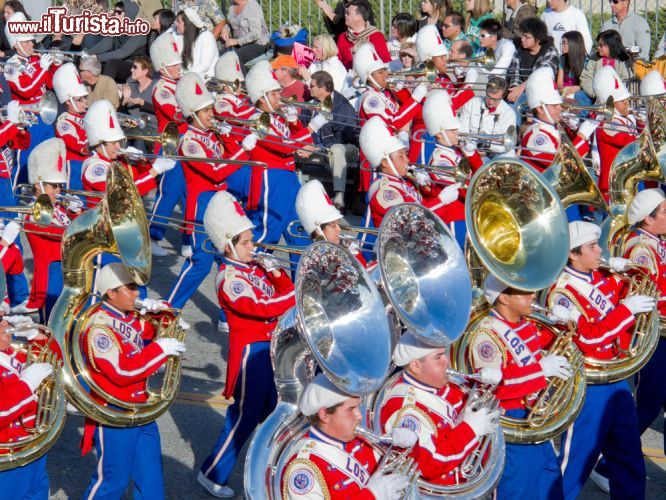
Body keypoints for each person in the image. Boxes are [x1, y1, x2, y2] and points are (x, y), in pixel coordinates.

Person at [198, 191, 295, 498]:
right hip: (250, 353)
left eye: (252, 241)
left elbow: (284, 290)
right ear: (228, 245)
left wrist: (277, 271)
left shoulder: (253, 269)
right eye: (246, 243)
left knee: (271, 414)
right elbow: (262, 307)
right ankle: (212, 472)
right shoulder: (230, 278)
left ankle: (266, 470)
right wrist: (294, 297)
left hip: (269, 350)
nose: (253, 247)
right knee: (244, 417)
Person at [545, 221, 652, 499]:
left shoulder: (600, 277)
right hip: (588, 386)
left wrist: (629, 272)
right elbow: (589, 339)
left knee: (629, 461)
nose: (600, 250)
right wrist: (625, 310)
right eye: (592, 246)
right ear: (572, 254)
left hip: (617, 381)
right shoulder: (562, 294)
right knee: (575, 467)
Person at [80, 262, 186, 499]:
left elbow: (160, 328)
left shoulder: (128, 315)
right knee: (112, 483)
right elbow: (122, 372)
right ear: (111, 292)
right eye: (130, 288)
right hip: (114, 413)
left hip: (141, 409)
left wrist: (160, 310)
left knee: (151, 482)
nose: (138, 293)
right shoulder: (99, 327)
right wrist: (158, 350)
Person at [468, 273, 570, 499]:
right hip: (511, 425)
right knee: (518, 491)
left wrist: (566, 323)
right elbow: (494, 387)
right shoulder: (486, 333)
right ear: (503, 298)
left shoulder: (526, 323)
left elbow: (560, 345)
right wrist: (540, 371)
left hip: (535, 422)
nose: (533, 295)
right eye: (524, 292)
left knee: (549, 487)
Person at [166, 72, 254, 313]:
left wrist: (230, 139)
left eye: (210, 109)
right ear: (193, 115)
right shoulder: (189, 142)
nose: (211, 114)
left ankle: (229, 315)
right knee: (201, 263)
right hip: (201, 205)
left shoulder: (212, 134)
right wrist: (242, 151)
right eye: (206, 111)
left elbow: (230, 157)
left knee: (230, 259)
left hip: (220, 202)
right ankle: (170, 310)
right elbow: (215, 171)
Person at [379, 331, 500, 484]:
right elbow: (430, 463)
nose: (446, 361)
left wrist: (492, 383)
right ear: (416, 365)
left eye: (444, 354)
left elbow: (487, 407)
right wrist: (470, 430)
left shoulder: (443, 383)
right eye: (438, 357)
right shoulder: (404, 405)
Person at [281, 373, 413, 499]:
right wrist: (372, 496)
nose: (359, 416)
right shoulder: (304, 465)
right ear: (324, 414)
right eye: (351, 410)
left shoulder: (361, 440)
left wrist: (404, 446)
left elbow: (402, 473)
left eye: (358, 408)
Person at [623, 189, 666, 460]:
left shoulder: (656, 241)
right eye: (664, 212)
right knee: (649, 402)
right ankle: (607, 460)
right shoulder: (641, 248)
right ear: (648, 220)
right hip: (653, 335)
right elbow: (648, 295)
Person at [23, 139, 83, 321]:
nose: (58, 190)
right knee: (51, 321)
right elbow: (64, 234)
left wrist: (78, 211)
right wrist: (78, 219)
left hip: (67, 270)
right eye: (53, 185)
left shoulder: (58, 208)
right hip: (51, 275)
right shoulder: (33, 213)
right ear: (37, 185)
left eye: (59, 186)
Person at [354, 40, 426, 182]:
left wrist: (412, 87)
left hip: (393, 152)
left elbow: (406, 107)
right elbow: (394, 122)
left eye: (385, 70)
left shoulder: (386, 92)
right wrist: (417, 97)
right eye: (380, 72)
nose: (386, 74)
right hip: (379, 157)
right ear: (369, 77)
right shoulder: (370, 99)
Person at [0, 313, 55, 498]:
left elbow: (54, 364)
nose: (6, 324)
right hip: (9, 455)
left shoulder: (11, 352)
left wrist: (36, 337)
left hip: (32, 448)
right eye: (0, 321)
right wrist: (26, 386)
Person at [419, 89, 483, 248]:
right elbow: (463, 190)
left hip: (467, 215)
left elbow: (480, 173)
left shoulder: (455, 151)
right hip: (455, 220)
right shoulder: (440, 160)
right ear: (440, 133)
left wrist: (472, 155)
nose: (458, 132)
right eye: (453, 130)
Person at [3, 11, 58, 187]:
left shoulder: (36, 59)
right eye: (26, 41)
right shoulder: (11, 65)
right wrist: (42, 69)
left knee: (46, 159)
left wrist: (54, 66)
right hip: (26, 118)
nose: (31, 43)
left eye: (30, 40)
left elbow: (49, 84)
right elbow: (24, 90)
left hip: (44, 115)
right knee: (24, 162)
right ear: (16, 43)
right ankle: (17, 195)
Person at [149, 32, 190, 258]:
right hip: (171, 145)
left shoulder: (178, 83)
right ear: (163, 68)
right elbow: (176, 114)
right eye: (174, 66)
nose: (178, 69)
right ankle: (153, 236)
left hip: (189, 143)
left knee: (189, 194)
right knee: (169, 193)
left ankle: (187, 238)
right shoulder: (161, 88)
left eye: (179, 64)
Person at [82, 100, 174, 197]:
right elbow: (122, 193)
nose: (118, 146)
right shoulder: (94, 166)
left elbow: (144, 180)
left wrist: (141, 161)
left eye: (119, 142)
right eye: (113, 143)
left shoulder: (120, 160)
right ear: (100, 144)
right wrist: (155, 170)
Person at [520, 67, 596, 172]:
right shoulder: (536, 136)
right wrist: (582, 136)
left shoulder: (554, 127)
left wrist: (574, 130)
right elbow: (563, 163)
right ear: (541, 109)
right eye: (555, 105)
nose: (560, 108)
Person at [305, 71, 358, 209]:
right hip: (319, 148)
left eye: (312, 86)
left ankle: (339, 197)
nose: (309, 88)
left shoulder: (342, 106)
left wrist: (319, 147)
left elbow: (343, 136)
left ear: (322, 88)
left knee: (336, 149)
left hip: (347, 148)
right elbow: (303, 127)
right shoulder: (311, 104)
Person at [295, 179, 366, 265]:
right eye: (333, 226)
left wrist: (354, 254)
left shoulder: (339, 253)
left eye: (338, 224)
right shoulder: (315, 263)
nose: (339, 229)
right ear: (318, 231)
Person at [592, 65, 637, 199]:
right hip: (612, 187)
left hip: (625, 183)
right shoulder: (608, 124)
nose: (627, 103)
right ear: (611, 104)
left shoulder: (624, 120)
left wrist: (641, 123)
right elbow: (632, 145)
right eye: (622, 101)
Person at [79, 1, 148, 83]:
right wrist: (88, 53)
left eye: (119, 12)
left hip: (136, 65)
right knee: (86, 62)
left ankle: (104, 90)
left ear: (128, 15)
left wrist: (98, 57)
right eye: (115, 11)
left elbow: (123, 52)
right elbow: (105, 44)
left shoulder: (139, 32)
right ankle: (82, 86)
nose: (115, 14)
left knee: (111, 64)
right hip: (119, 61)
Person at [459, 76, 517, 158]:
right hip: (471, 150)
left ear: (502, 97)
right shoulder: (471, 103)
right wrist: (472, 147)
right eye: (489, 97)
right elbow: (462, 131)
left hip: (498, 154)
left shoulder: (509, 114)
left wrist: (488, 149)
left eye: (495, 99)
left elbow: (508, 144)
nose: (490, 102)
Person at [53, 63, 89, 191]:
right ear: (69, 101)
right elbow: (80, 146)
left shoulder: (85, 116)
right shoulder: (64, 122)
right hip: (74, 166)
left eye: (85, 98)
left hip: (88, 165)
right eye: (81, 99)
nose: (85, 102)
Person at [506, 18, 559, 104]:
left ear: (538, 38)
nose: (522, 39)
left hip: (543, 94)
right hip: (522, 94)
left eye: (526, 37)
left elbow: (542, 75)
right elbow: (515, 75)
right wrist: (514, 91)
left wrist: (523, 86)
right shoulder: (519, 52)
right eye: (522, 35)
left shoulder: (550, 51)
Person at [579, 30, 632, 103]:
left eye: (601, 45)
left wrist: (613, 95)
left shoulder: (623, 60)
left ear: (611, 45)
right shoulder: (594, 58)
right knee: (579, 95)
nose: (598, 47)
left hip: (618, 98)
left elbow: (626, 80)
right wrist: (596, 93)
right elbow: (585, 78)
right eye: (598, 44)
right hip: (596, 97)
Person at [337, 0, 391, 70]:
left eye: (348, 13)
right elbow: (338, 63)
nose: (345, 15)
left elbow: (386, 60)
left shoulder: (375, 35)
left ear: (359, 17)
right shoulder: (343, 37)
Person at [120, 56, 158, 152]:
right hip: (133, 125)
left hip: (151, 128)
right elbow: (124, 114)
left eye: (135, 67)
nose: (131, 69)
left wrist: (142, 103)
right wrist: (124, 98)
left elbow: (161, 109)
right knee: (120, 136)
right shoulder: (131, 86)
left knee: (139, 140)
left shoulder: (156, 86)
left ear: (145, 71)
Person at [222, 0, 270, 68]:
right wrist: (225, 29)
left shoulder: (252, 6)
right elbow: (231, 23)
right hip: (239, 44)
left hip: (258, 43)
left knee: (233, 58)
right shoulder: (232, 5)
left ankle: (241, 78)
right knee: (220, 54)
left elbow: (255, 34)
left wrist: (237, 41)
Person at [174, 8, 218, 79]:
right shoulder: (181, 38)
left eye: (179, 22)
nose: (176, 23)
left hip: (206, 81)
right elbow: (179, 61)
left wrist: (186, 76)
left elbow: (205, 65)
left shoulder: (206, 36)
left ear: (187, 23)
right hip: (188, 79)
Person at [557, 31, 587, 103]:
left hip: (579, 93)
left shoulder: (586, 62)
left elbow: (586, 84)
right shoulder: (562, 59)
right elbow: (559, 85)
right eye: (562, 43)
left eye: (564, 43)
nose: (562, 46)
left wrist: (578, 88)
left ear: (573, 44)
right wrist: (563, 91)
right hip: (564, 91)